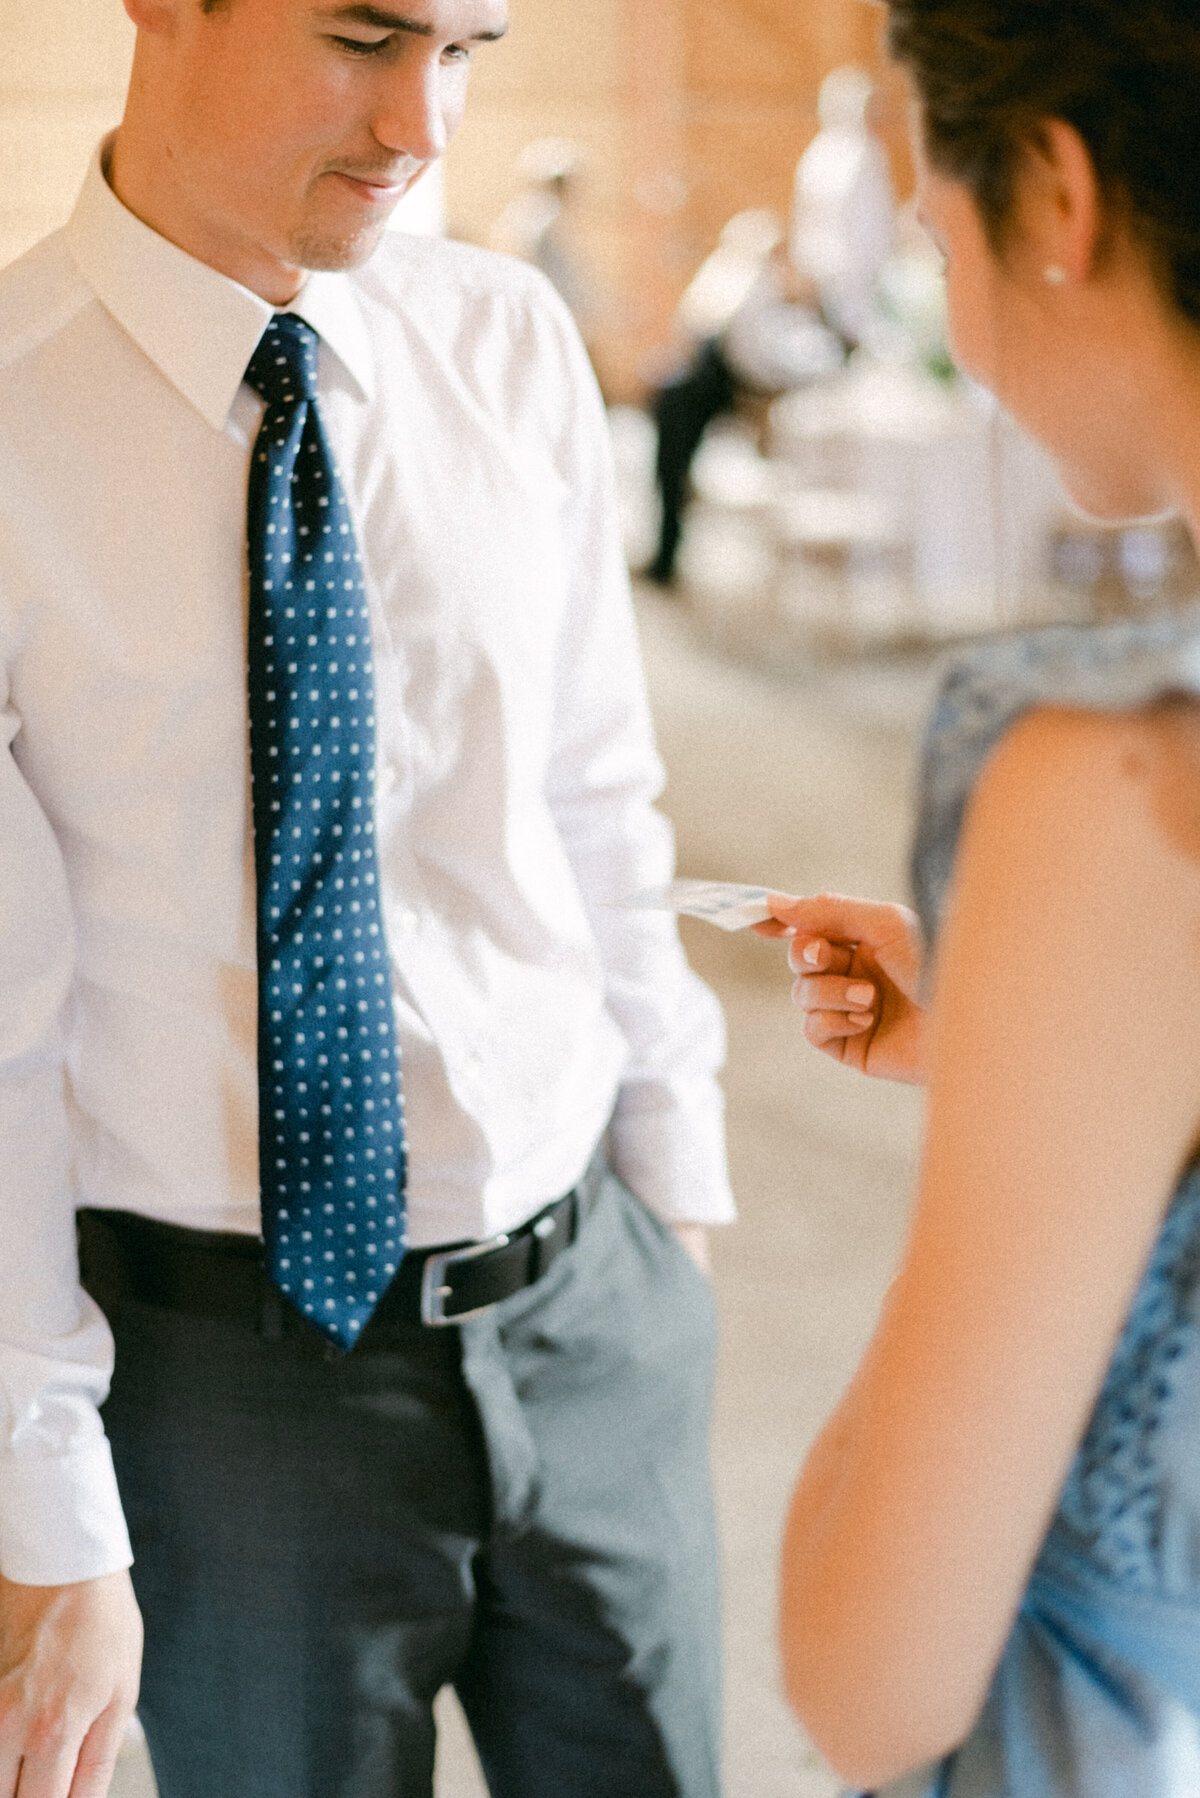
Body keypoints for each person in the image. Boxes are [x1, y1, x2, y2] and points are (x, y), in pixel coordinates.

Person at [0, 4, 734, 1796]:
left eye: (469, 46)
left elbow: (591, 795)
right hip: (227, 1383)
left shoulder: (504, 338)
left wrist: (676, 1200)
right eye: (362, 35)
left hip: (592, 1305)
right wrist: (49, 1507)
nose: (426, 118)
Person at [756, 2, 1200, 1793]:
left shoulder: (1113, 787)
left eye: (942, 232)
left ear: (1057, 195)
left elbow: (873, 1670)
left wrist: (1036, 1064)